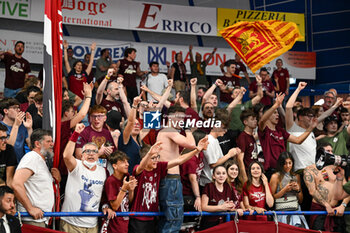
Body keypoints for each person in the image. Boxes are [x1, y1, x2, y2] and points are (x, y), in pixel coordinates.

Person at [129, 138, 208, 233]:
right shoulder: (138, 169)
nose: (156, 160)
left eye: (157, 157)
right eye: (153, 158)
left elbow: (179, 160)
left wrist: (197, 150)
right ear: (144, 158)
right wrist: (150, 153)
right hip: (139, 217)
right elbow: (141, 166)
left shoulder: (158, 167)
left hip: (153, 216)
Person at [61, 123, 113, 233]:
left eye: (94, 151)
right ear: (81, 155)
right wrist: (76, 134)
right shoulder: (76, 165)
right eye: (87, 151)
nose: (91, 154)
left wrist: (105, 205)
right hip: (71, 223)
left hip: (92, 225)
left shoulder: (103, 171)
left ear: (98, 155)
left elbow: (103, 194)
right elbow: (66, 156)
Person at [156, 104, 198, 233]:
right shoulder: (169, 130)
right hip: (170, 180)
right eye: (179, 118)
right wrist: (188, 129)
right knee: (174, 219)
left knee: (169, 219)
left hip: (170, 180)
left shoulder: (166, 132)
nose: (182, 121)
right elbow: (191, 144)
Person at [258, 93, 317, 174]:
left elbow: (298, 140)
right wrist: (276, 105)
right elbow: (262, 121)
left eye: (277, 113)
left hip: (284, 170)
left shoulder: (280, 131)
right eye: (274, 113)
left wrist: (311, 128)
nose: (277, 115)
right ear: (267, 114)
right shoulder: (264, 130)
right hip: (271, 171)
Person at [12, 129, 59, 227]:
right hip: (32, 219)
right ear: (37, 144)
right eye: (48, 141)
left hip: (40, 218)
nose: (52, 144)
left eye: (52, 141)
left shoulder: (40, 160)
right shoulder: (32, 157)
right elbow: (16, 184)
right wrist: (30, 208)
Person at [304, 143, 349, 232]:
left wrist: (343, 205)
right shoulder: (310, 170)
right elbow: (312, 191)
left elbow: (347, 189)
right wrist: (326, 205)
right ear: (320, 153)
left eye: (332, 151)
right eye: (328, 151)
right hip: (320, 210)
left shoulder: (337, 168)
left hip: (336, 210)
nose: (331, 153)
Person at [200, 109, 241, 187]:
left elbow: (220, 161)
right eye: (224, 128)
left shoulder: (215, 140)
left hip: (215, 182)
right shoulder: (209, 140)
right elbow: (213, 164)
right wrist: (229, 155)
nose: (225, 131)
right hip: (208, 183)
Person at [269, 152, 308, 228]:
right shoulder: (275, 176)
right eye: (285, 163)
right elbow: (271, 199)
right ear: (281, 164)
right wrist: (284, 190)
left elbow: (301, 200)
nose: (288, 166)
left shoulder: (296, 176)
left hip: (295, 209)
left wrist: (298, 190)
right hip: (282, 210)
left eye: (290, 163)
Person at [200, 165, 244, 230]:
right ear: (213, 176)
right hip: (209, 223)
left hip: (224, 223)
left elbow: (231, 206)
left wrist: (236, 210)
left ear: (226, 176)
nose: (221, 176)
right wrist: (221, 207)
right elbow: (203, 207)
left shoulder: (228, 187)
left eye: (223, 173)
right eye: (218, 173)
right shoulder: (208, 186)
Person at [104, 151, 137, 233]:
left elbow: (129, 202)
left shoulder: (127, 177)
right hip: (113, 225)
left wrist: (131, 190)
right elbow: (115, 206)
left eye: (127, 161)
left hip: (125, 222)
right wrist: (124, 189)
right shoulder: (111, 181)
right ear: (115, 166)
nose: (127, 164)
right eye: (123, 162)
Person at [0, 98, 32, 162]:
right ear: (6, 111)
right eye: (15, 108)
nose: (19, 110)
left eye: (18, 108)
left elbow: (31, 147)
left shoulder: (22, 126)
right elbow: (8, 148)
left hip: (20, 163)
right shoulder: (1, 127)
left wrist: (29, 128)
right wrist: (16, 125)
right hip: (6, 163)